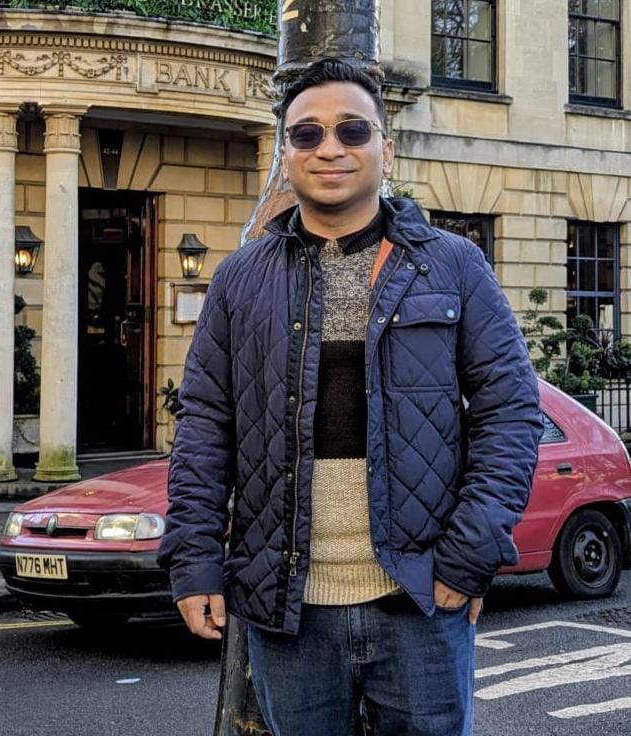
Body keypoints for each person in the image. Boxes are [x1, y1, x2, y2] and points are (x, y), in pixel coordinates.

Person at [157, 59, 543, 736]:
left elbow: (510, 413)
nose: (328, 148)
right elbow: (204, 426)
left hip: (420, 599)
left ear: (385, 150)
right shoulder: (240, 279)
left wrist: (468, 555)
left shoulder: (453, 265)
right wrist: (194, 561)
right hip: (287, 608)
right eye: (306, 134)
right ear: (285, 155)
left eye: (351, 130)